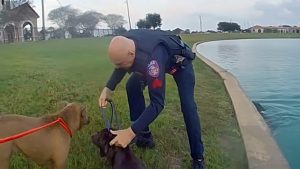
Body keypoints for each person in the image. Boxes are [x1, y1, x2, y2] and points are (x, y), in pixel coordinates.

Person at [99, 29, 204, 169]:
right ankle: (144, 136)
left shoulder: (153, 61)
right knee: (132, 85)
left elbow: (157, 103)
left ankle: (198, 158)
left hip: (180, 66)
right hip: (155, 59)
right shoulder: (127, 41)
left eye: (120, 64)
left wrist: (130, 132)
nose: (119, 68)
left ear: (131, 53)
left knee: (188, 106)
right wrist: (108, 88)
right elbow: (121, 64)